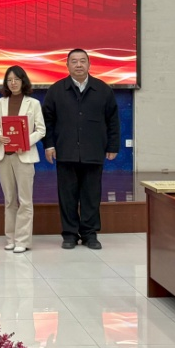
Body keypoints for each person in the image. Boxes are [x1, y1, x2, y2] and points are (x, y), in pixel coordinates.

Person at [43, 49, 120, 250]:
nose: (78, 65)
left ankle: (89, 234)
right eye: (74, 61)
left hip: (93, 151)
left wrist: (113, 145)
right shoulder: (56, 90)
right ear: (67, 65)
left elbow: (113, 120)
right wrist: (49, 145)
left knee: (91, 196)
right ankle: (69, 234)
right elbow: (47, 121)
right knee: (67, 196)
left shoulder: (103, 90)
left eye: (82, 61)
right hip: (65, 151)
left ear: (89, 64)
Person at [0, 65, 46, 253]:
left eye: (16, 79)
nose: (13, 83)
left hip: (24, 156)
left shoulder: (34, 103)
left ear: (23, 81)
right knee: (9, 200)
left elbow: (41, 130)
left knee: (25, 200)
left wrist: (25, 142)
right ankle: (11, 238)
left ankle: (22, 240)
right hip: (4, 155)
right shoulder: (0, 102)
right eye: (9, 80)